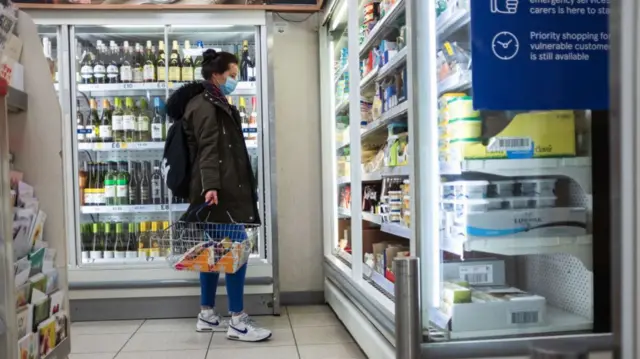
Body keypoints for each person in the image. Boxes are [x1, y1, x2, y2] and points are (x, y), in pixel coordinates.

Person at [165, 49, 271, 342]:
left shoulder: (211, 101)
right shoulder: (206, 105)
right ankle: (237, 320)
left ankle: (207, 313)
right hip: (215, 192)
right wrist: (211, 186)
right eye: (233, 75)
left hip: (213, 189)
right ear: (217, 75)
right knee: (237, 248)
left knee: (212, 252)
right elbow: (209, 148)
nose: (235, 80)